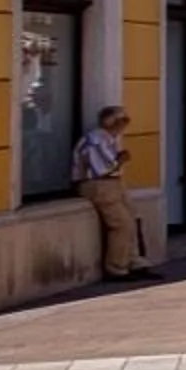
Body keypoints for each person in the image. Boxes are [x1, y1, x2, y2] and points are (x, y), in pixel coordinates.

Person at [72, 106, 150, 282]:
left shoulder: (108, 139)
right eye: (121, 121)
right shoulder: (96, 139)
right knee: (121, 224)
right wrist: (121, 159)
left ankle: (134, 262)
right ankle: (117, 267)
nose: (124, 125)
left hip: (113, 183)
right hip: (99, 184)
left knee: (132, 219)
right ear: (110, 122)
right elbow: (103, 168)